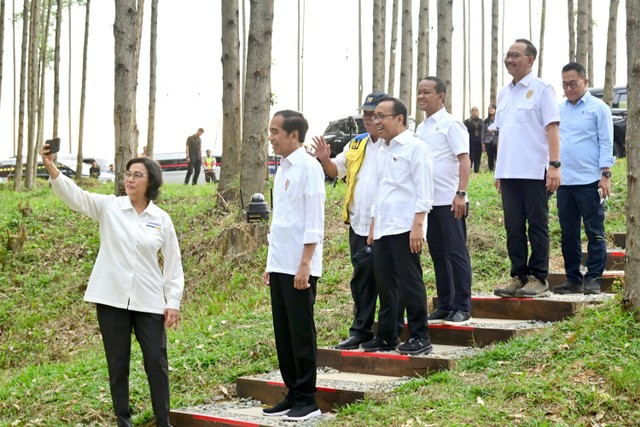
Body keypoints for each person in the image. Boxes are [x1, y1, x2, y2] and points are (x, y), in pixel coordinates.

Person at [40, 144, 184, 427]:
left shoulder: (161, 219)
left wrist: (172, 302)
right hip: (111, 300)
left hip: (149, 301)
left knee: (156, 361)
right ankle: (123, 421)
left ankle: (163, 420)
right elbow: (76, 197)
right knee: (118, 366)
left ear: (150, 182)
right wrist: (51, 166)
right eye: (128, 174)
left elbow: (173, 263)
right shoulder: (110, 207)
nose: (129, 179)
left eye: (137, 175)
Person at [311, 91, 387, 350]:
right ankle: (361, 331)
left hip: (388, 225)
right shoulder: (357, 144)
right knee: (362, 278)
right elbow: (336, 169)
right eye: (366, 113)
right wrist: (324, 158)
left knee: (389, 279)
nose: (368, 118)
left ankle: (391, 331)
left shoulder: (396, 143)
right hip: (359, 223)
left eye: (374, 113)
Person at [262, 110, 325, 421]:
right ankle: (292, 392)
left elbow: (313, 221)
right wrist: (270, 263)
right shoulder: (283, 168)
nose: (271, 137)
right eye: (270, 131)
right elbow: (281, 221)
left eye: (276, 131)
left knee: (301, 332)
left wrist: (305, 265)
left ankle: (307, 398)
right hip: (281, 263)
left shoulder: (309, 168)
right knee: (283, 332)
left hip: (301, 266)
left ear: (294, 136)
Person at [360, 97, 434, 356]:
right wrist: (372, 225)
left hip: (405, 226)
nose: (376, 121)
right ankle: (388, 335)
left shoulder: (415, 148)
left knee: (410, 283)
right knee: (385, 284)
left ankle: (419, 336)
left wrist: (418, 226)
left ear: (399, 119)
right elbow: (379, 191)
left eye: (382, 116)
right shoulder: (382, 149)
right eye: (375, 116)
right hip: (383, 228)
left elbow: (425, 191)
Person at [492, 39, 561, 299]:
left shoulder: (542, 88)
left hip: (535, 171)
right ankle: (518, 276)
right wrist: (498, 171)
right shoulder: (504, 93)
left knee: (537, 225)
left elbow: (552, 129)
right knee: (513, 227)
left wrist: (554, 167)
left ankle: (539, 277)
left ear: (530, 60)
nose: (509, 60)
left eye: (515, 55)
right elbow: (503, 135)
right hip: (509, 173)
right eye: (507, 55)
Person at [415, 77, 473, 325]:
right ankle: (445, 304)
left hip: (451, 200)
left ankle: (463, 306)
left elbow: (464, 160)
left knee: (456, 253)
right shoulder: (420, 128)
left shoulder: (452, 125)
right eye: (419, 92)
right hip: (430, 202)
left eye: (426, 92)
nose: (421, 96)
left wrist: (461, 193)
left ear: (441, 96)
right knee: (438, 254)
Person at [553, 62, 615, 295]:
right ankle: (572, 278)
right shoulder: (559, 110)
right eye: (565, 85)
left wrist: (605, 175)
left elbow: (606, 142)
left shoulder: (599, 108)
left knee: (594, 230)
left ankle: (594, 278)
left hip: (590, 181)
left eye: (573, 84)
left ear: (585, 82)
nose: (569, 89)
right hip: (565, 182)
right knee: (568, 232)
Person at [464, 106, 484, 173]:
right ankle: (468, 170)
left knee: (478, 157)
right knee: (471, 156)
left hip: (479, 142)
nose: (475, 112)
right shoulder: (467, 121)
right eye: (473, 110)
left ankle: (476, 171)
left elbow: (484, 132)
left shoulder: (481, 121)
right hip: (470, 142)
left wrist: (483, 143)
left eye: (476, 110)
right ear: (471, 112)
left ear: (478, 112)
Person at [482, 104, 498, 172]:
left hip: (497, 140)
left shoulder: (498, 120)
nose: (491, 110)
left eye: (492, 108)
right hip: (488, 141)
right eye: (489, 109)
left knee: (497, 156)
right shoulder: (486, 121)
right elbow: (483, 132)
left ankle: (497, 170)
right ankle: (491, 170)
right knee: (490, 156)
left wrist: (495, 130)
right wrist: (482, 143)